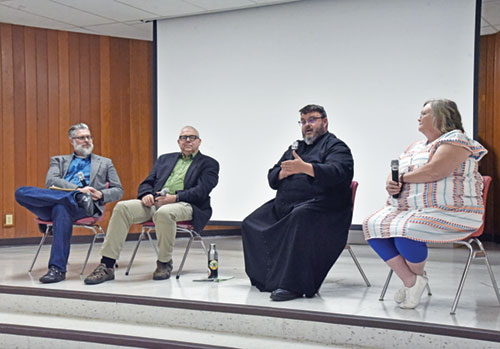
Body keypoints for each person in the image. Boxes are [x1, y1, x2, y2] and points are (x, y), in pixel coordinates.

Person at [363, 99, 488, 309]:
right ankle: (412, 281)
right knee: (372, 225)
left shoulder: (457, 140)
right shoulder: (415, 147)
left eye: (424, 113)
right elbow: (397, 171)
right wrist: (391, 183)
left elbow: (435, 171)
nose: (418, 118)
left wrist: (401, 179)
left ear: (441, 116)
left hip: (453, 211)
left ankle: (413, 283)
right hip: (410, 210)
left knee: (407, 231)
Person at [241, 104, 354, 301]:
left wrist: (306, 168)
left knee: (300, 217)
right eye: (303, 121)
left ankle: (293, 285)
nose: (307, 125)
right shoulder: (296, 147)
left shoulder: (336, 147)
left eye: (312, 120)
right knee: (250, 222)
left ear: (324, 122)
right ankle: (266, 279)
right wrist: (282, 173)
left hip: (323, 206)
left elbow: (339, 173)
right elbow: (272, 176)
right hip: (287, 204)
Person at [84, 126, 219, 284]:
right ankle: (107, 265)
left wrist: (174, 198)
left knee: (164, 213)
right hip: (156, 201)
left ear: (199, 141)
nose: (187, 140)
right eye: (183, 137)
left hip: (187, 204)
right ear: (178, 142)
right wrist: (146, 194)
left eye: (192, 137)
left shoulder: (209, 163)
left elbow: (201, 191)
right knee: (122, 207)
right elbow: (147, 182)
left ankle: (164, 262)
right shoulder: (165, 159)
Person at [15, 123, 123, 283]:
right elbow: (50, 181)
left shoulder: (105, 162)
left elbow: (118, 190)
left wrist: (100, 194)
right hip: (57, 202)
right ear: (72, 141)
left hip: (86, 207)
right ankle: (74, 196)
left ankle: (57, 269)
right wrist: (78, 191)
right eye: (81, 137)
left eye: (89, 137)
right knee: (21, 192)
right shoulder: (58, 160)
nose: (87, 140)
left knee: (61, 208)